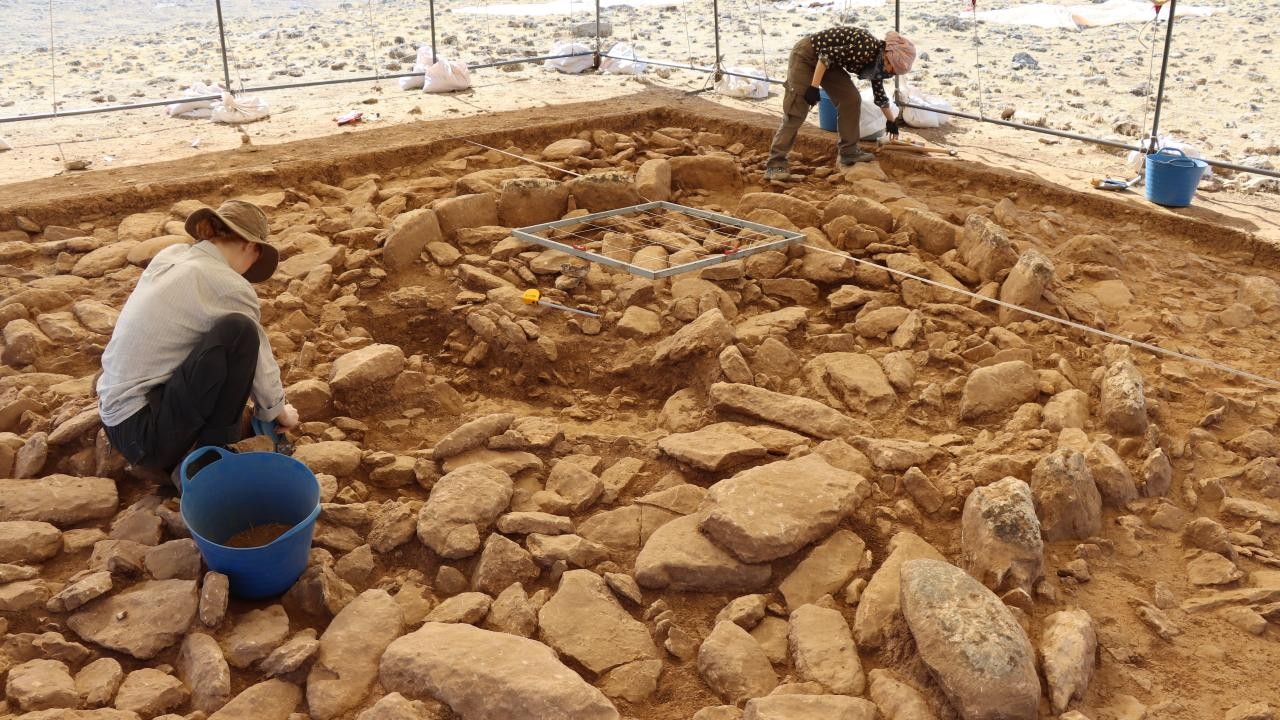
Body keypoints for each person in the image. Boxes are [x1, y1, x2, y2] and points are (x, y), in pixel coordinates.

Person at [96, 200, 299, 479]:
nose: (248, 270)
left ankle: (186, 451)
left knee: (214, 339)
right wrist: (277, 411)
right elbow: (260, 358)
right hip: (148, 438)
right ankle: (208, 461)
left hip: (116, 421)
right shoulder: (227, 284)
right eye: (256, 257)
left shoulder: (172, 255)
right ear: (250, 246)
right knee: (239, 332)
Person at [765, 27, 916, 183]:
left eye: (893, 72)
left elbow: (879, 95)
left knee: (851, 99)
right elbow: (825, 55)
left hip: (829, 63)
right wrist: (814, 87)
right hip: (807, 56)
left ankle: (849, 151)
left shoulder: (876, 63)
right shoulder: (867, 47)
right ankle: (775, 164)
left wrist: (891, 121)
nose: (889, 72)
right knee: (797, 111)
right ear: (887, 54)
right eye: (890, 66)